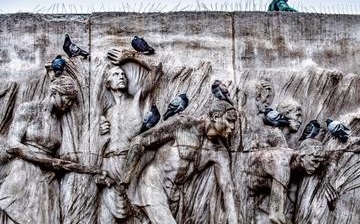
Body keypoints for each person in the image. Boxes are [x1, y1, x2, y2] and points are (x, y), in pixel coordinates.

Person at [0, 76, 110, 224]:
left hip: (47, 179)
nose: (69, 103)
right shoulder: (29, 109)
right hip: (24, 172)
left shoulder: (58, 121)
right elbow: (12, 144)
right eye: (67, 98)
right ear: (55, 92)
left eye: (71, 100)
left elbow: (60, 157)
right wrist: (47, 161)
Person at [122, 100, 239, 224]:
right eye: (229, 121)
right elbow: (140, 140)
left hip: (174, 197)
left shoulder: (219, 151)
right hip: (152, 185)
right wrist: (125, 179)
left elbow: (228, 189)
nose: (233, 127)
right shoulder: (183, 124)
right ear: (216, 117)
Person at [99, 49, 162, 223]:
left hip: (132, 169)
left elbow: (156, 69)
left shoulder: (137, 100)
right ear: (107, 83)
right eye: (116, 74)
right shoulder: (107, 113)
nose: (121, 76)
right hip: (110, 172)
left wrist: (129, 56)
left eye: (123, 74)